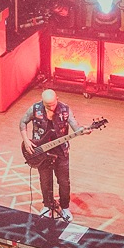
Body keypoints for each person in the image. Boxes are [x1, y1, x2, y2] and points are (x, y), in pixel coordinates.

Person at [22, 87, 78, 220]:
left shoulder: (65, 110)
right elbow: (23, 122)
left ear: (57, 99)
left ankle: (65, 207)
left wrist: (83, 130)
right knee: (45, 180)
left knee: (64, 182)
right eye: (47, 105)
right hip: (41, 151)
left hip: (61, 151)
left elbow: (75, 126)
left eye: (53, 104)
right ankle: (47, 205)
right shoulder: (35, 109)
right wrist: (26, 140)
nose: (51, 108)